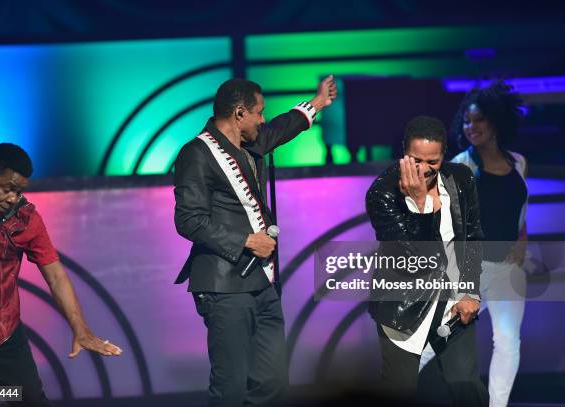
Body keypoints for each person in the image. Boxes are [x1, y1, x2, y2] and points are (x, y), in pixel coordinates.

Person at [174, 76, 337, 406]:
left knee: (272, 384)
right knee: (231, 386)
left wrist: (317, 103)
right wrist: (247, 240)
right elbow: (188, 220)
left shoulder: (250, 143)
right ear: (238, 113)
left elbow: (282, 127)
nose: (263, 120)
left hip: (263, 283)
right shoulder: (197, 153)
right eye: (258, 113)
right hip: (224, 286)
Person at [0, 143, 122, 406]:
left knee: (28, 398)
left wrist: (81, 328)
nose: (12, 198)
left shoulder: (25, 219)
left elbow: (55, 274)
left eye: (18, 191)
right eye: (7, 188)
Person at [365, 116, 488, 406]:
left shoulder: (460, 178)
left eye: (432, 161)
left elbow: (471, 238)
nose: (423, 168)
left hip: (453, 300)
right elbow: (416, 259)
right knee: (400, 391)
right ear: (403, 152)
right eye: (415, 159)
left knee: (466, 385)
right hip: (404, 305)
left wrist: (469, 290)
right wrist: (420, 204)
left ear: (444, 154)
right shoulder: (382, 193)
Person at [420, 82, 527, 407]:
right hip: (472, 268)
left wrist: (523, 240)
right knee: (440, 337)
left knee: (508, 341)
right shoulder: (461, 165)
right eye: (466, 121)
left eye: (478, 120)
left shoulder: (518, 162)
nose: (471, 127)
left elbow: (520, 212)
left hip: (508, 269)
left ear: (496, 121)